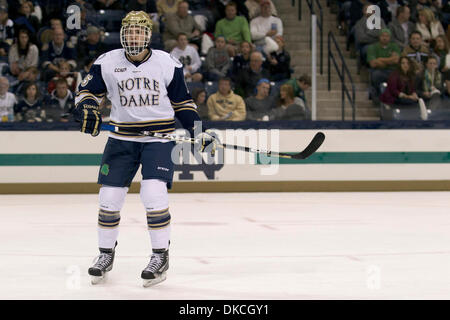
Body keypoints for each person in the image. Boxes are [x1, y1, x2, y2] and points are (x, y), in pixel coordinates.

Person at [73, 11, 217, 287]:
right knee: (109, 198)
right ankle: (105, 254)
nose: (134, 36)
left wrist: (199, 131)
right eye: (129, 31)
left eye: (139, 32)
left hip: (158, 140)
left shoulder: (166, 63)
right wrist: (87, 106)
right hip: (122, 140)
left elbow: (183, 105)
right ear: (122, 34)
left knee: (153, 193)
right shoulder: (106, 62)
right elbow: (87, 92)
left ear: (148, 35)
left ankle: (160, 256)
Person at [367, 28, 401, 95]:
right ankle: (377, 95)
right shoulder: (372, 47)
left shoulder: (394, 46)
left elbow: (396, 60)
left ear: (390, 37)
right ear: (379, 37)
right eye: (383, 36)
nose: (384, 38)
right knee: (376, 75)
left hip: (393, 70)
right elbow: (373, 64)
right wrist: (390, 60)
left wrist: (380, 59)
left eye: (387, 36)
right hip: (378, 70)